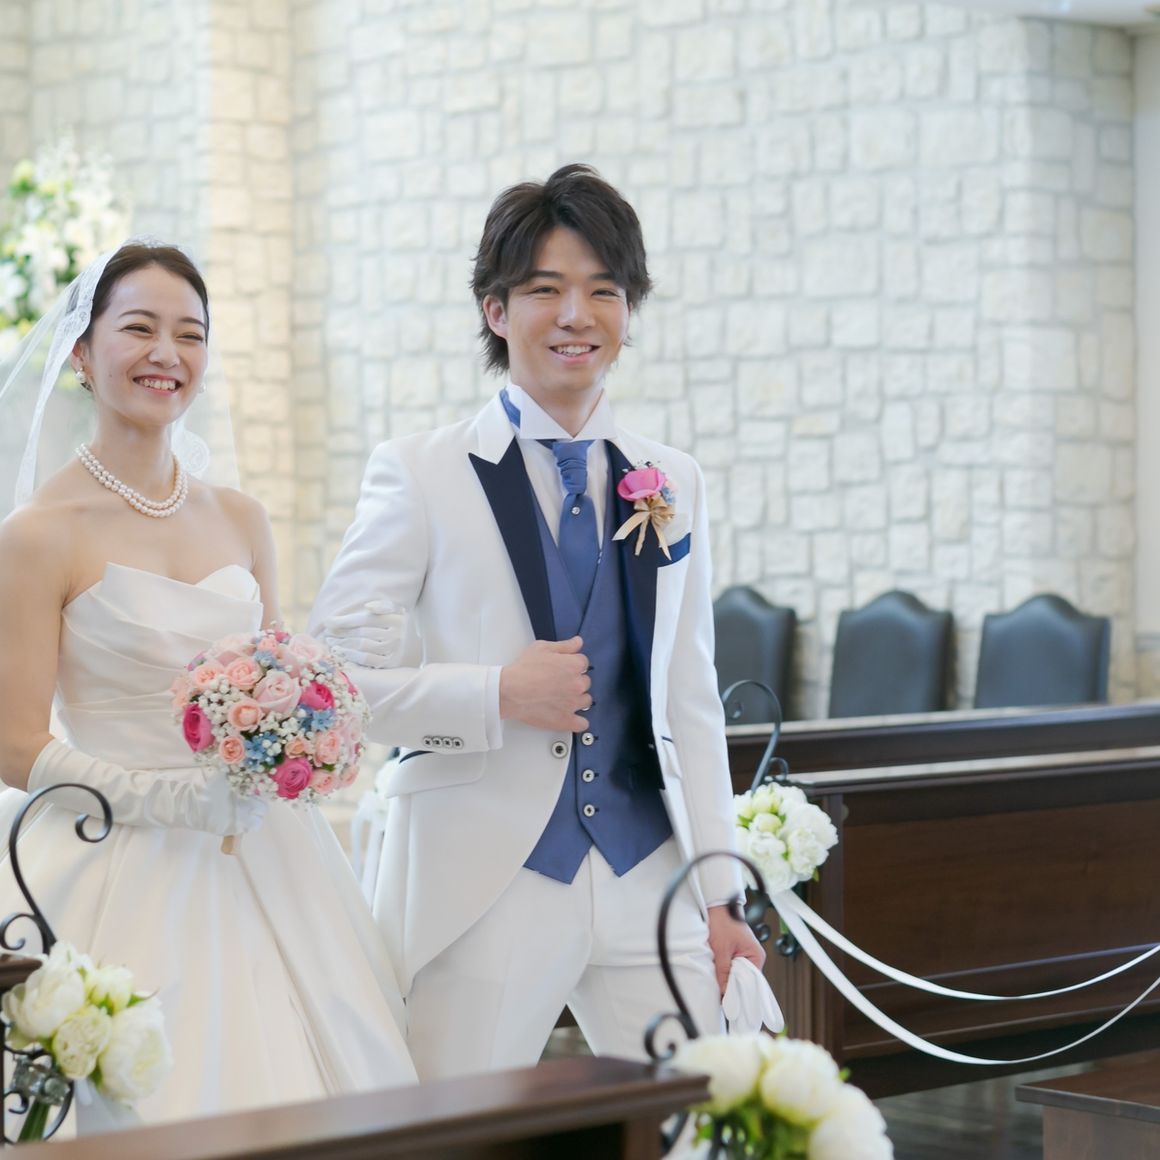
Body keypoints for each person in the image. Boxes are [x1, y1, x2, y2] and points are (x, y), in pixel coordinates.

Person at [311, 163, 765, 1081]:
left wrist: (720, 894)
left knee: (707, 1120)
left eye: (603, 290)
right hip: (485, 877)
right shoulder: (421, 472)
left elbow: (690, 698)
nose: (576, 315)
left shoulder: (671, 478)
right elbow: (329, 685)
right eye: (546, 289)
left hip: (650, 872)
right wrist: (496, 694)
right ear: (496, 310)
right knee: (453, 1131)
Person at [0, 241, 415, 1130]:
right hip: (114, 848)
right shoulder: (39, 532)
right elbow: (14, 743)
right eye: (139, 328)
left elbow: (282, 675)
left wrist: (305, 740)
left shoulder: (241, 516)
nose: (168, 354)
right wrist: (168, 799)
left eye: (190, 334)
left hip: (269, 853)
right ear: (82, 353)